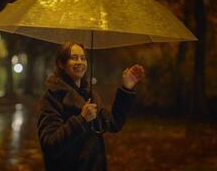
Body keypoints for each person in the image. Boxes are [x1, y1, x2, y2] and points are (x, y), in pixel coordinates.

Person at [37, 42, 145, 171]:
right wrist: (81, 119)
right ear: (61, 64)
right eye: (74, 57)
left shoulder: (89, 94)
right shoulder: (52, 97)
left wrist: (127, 87)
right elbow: (50, 144)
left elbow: (114, 123)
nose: (80, 62)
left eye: (83, 58)